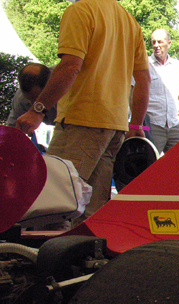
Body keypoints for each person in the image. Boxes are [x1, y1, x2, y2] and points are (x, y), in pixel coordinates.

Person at [16, 0, 150, 225]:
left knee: (52, 205)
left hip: (82, 120)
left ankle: (51, 258)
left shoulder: (80, 11)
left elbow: (70, 65)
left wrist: (37, 110)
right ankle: (86, 258)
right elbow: (144, 80)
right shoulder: (128, 20)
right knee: (91, 215)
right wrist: (135, 125)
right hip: (115, 125)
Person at [147, 28, 179, 154]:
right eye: (153, 42)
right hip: (153, 124)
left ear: (169, 44)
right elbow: (134, 92)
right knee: (150, 164)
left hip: (175, 124)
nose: (156, 46)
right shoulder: (145, 64)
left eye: (160, 42)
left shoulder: (178, 65)